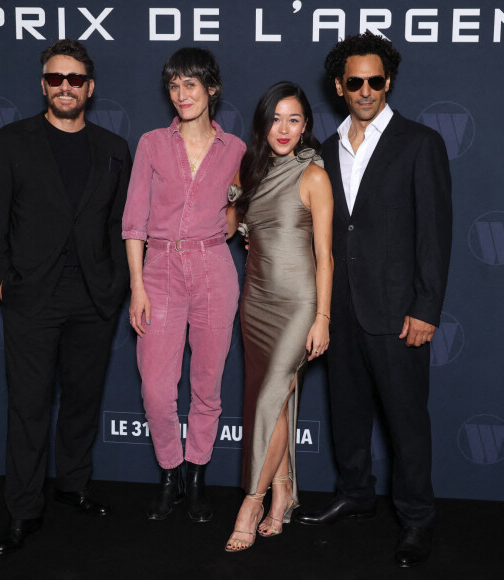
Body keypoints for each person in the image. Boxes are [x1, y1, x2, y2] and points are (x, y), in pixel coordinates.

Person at [295, 32, 452, 569]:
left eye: (376, 81)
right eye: (355, 81)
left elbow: (435, 233)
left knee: (407, 422)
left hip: (398, 311)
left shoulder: (419, 142)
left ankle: (415, 519)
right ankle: (356, 494)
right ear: (340, 86)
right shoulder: (324, 148)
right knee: (348, 413)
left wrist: (427, 307)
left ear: (389, 82)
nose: (366, 91)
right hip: (340, 310)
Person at [0, 39, 132, 555]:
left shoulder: (114, 148)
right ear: (43, 84)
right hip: (33, 296)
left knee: (83, 401)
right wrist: (2, 278)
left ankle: (73, 484)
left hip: (94, 296)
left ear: (89, 87)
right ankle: (24, 510)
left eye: (74, 79)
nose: (64, 86)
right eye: (54, 78)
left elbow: (118, 224)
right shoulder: (11, 141)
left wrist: (116, 285)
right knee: (28, 407)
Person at [122, 48, 245, 522]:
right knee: (156, 386)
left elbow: (237, 214)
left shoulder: (235, 149)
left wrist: (229, 219)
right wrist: (137, 285)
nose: (181, 94)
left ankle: (196, 475)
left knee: (207, 385)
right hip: (159, 271)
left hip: (215, 269)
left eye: (190, 84)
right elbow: (133, 222)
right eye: (174, 86)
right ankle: (169, 472)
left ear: (211, 88)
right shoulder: (152, 143)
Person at [225, 82, 334, 552]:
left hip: (298, 306)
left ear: (306, 124)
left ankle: (252, 501)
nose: (284, 129)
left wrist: (323, 318)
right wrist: (234, 201)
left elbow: (325, 256)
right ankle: (284, 491)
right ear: (263, 124)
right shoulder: (252, 171)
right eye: (275, 119)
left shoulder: (313, 175)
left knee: (271, 398)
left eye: (294, 119)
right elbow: (232, 229)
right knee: (275, 400)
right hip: (256, 302)